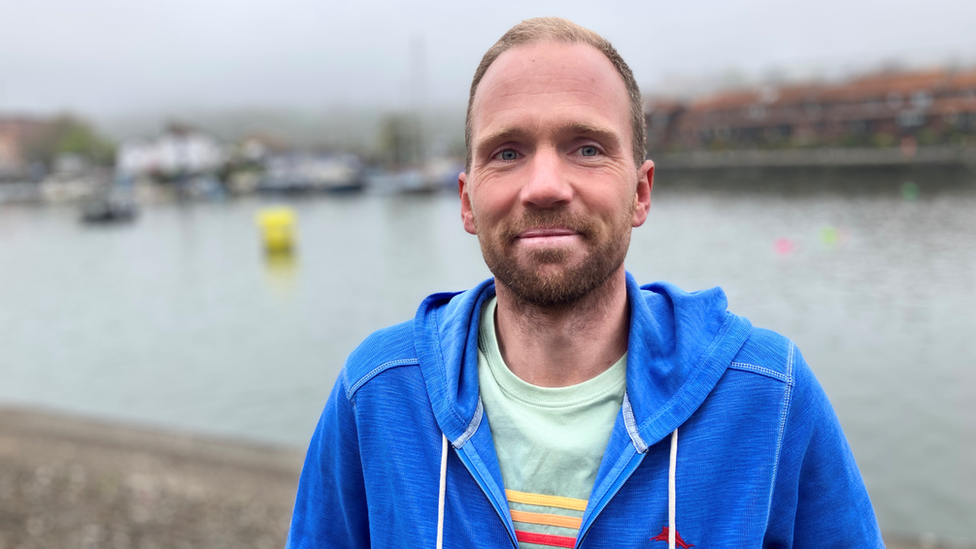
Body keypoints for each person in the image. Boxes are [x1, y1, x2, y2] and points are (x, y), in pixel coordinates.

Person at [286, 17, 884, 549]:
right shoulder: (378, 395)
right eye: (508, 152)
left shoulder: (765, 394)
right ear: (467, 202)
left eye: (587, 147)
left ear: (641, 192)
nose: (545, 185)